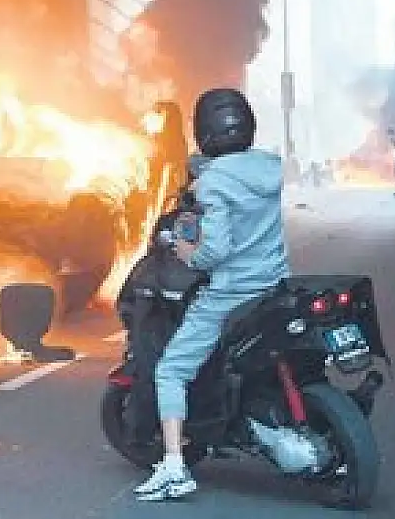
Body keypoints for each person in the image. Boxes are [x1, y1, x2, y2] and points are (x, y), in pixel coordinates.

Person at [133, 88, 291, 502]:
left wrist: (188, 252)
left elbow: (214, 251)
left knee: (170, 371)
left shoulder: (214, 182)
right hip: (273, 285)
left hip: (230, 295)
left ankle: (173, 466)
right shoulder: (271, 168)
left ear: (203, 131)